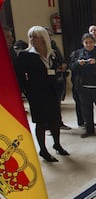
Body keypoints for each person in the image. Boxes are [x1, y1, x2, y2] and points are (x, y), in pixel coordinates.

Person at [17, 26, 69, 162]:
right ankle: (43, 150)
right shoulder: (25, 55)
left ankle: (57, 144)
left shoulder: (52, 53)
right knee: (40, 122)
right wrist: (26, 93)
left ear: (43, 37)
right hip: (36, 94)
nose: (32, 39)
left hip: (52, 92)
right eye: (30, 37)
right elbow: (20, 77)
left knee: (55, 120)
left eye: (35, 36)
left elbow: (55, 69)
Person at [69, 33, 96, 138]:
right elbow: (72, 67)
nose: (88, 44)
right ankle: (89, 130)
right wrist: (78, 64)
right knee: (86, 110)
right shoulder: (77, 54)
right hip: (83, 88)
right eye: (86, 42)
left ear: (94, 42)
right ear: (83, 43)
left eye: (91, 42)